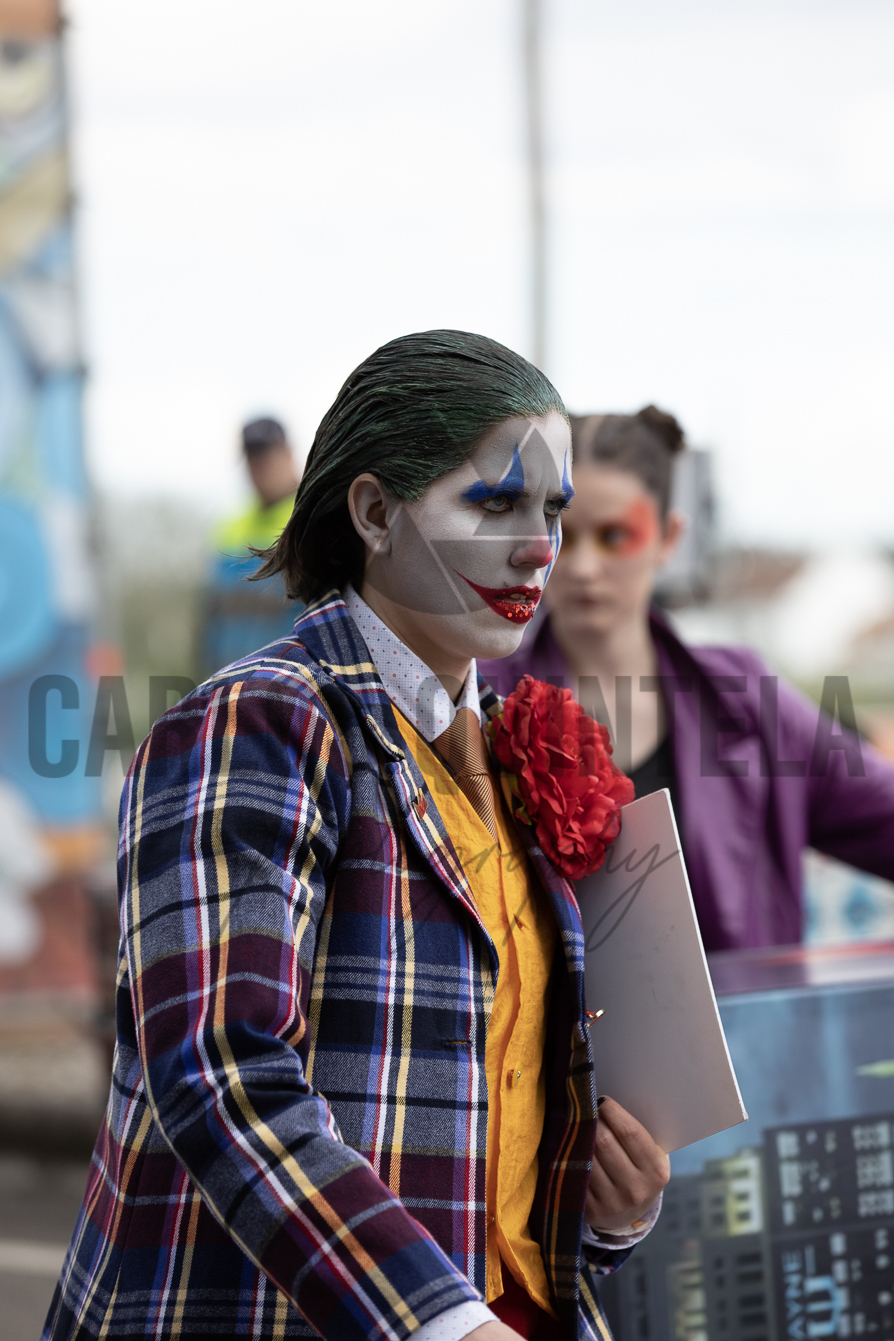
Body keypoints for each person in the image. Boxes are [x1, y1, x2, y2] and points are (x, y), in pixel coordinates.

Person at [45, 333, 669, 1341]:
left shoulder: (517, 754)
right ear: (375, 513)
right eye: (495, 502)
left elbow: (493, 1113)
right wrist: (441, 1321)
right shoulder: (258, 721)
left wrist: (607, 1211)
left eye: (551, 511)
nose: (539, 548)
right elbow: (223, 1071)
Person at [480, 406, 894, 953]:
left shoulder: (746, 697)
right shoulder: (479, 700)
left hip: (742, 1012)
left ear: (668, 537)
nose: (582, 567)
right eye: (562, 532)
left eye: (613, 535)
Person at [203, 416, 302, 674]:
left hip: (292, 680)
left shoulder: (310, 520)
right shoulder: (228, 528)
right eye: (253, 459)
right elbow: (211, 614)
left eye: (268, 457)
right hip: (231, 677)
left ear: (289, 455)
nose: (260, 468)